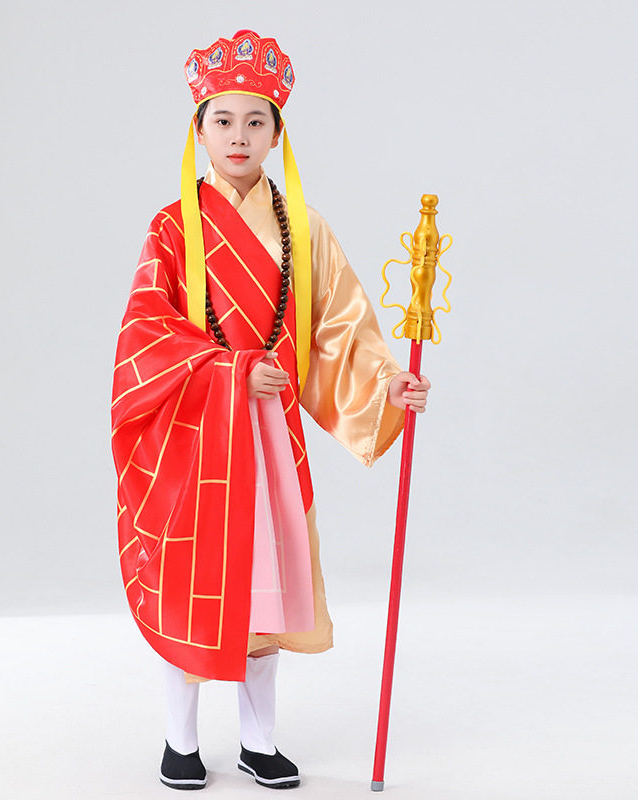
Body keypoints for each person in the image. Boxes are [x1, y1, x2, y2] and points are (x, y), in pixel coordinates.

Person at [110, 30, 431, 791]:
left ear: (277, 132)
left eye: (256, 122)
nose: (239, 136)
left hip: (269, 435)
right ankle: (180, 741)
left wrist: (386, 383)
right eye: (222, 120)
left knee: (266, 590)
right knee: (191, 585)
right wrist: (229, 369)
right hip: (196, 434)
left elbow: (339, 329)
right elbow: (145, 334)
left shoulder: (303, 228)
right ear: (199, 130)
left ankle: (260, 740)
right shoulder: (172, 227)